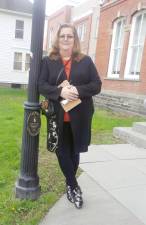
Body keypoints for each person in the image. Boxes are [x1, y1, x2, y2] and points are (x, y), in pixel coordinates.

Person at [38, 23, 102, 209]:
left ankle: (69, 185)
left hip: (80, 115)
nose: (66, 39)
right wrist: (61, 92)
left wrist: (77, 90)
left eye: (70, 36)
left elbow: (96, 85)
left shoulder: (86, 60)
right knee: (61, 150)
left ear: (75, 39)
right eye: (63, 36)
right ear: (57, 39)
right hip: (57, 115)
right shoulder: (48, 61)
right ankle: (73, 186)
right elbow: (41, 85)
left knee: (74, 152)